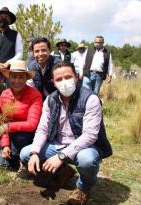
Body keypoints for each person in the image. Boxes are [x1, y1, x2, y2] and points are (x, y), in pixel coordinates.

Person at [20, 62, 112, 205]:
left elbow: (90, 135)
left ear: (76, 77)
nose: (64, 82)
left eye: (68, 77)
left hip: (83, 147)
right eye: (59, 79)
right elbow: (43, 128)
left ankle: (83, 188)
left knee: (88, 160)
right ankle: (63, 172)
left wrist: (61, 156)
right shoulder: (50, 100)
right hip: (57, 145)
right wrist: (34, 153)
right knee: (26, 153)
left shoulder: (90, 99)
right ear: (53, 82)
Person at [0, 60, 43, 169]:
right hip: (9, 135)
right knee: (1, 165)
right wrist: (5, 145)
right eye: (14, 77)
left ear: (26, 79)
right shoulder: (4, 94)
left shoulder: (35, 95)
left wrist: (7, 127)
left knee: (20, 137)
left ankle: (23, 157)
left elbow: (32, 124)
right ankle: (14, 156)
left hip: (27, 135)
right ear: (9, 78)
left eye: (21, 77)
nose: (17, 81)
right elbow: (3, 121)